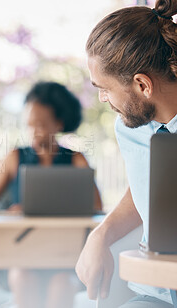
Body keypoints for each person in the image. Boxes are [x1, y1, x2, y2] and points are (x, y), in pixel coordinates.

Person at [75, 0, 177, 307]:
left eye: (104, 88)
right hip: (155, 294)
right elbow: (147, 190)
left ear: (142, 85)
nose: (104, 98)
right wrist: (101, 235)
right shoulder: (131, 129)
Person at [0, 81, 103, 308]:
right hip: (21, 253)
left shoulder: (76, 160)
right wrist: (2, 212)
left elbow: (97, 209)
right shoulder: (14, 157)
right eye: (29, 125)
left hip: (65, 255)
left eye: (41, 125)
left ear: (59, 123)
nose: (33, 131)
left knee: (62, 284)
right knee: (24, 279)